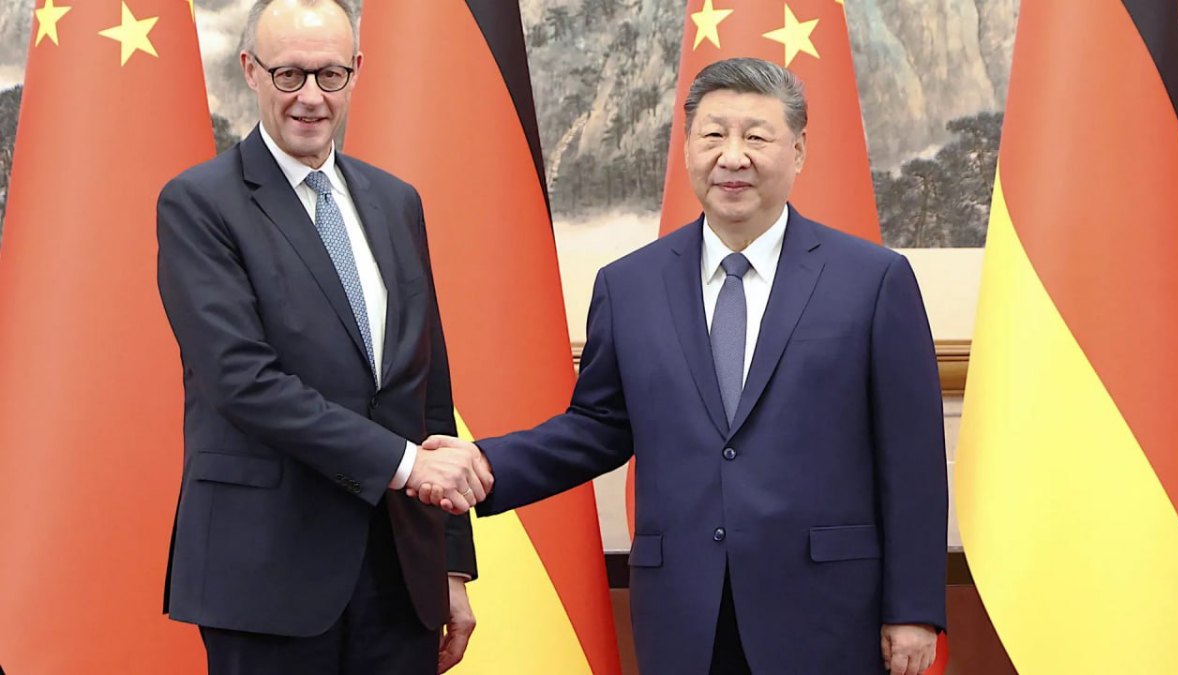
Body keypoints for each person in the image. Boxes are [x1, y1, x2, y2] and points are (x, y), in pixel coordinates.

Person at [420, 57, 947, 674]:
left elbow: (912, 459)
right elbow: (598, 427)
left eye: (757, 136)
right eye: (713, 134)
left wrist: (913, 608)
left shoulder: (872, 281)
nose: (732, 156)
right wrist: (488, 463)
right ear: (688, 147)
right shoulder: (630, 285)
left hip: (827, 612)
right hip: (685, 613)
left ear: (799, 150)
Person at [156, 1, 492, 672]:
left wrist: (451, 564)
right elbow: (243, 382)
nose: (311, 97)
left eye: (330, 75)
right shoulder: (199, 204)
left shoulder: (396, 202)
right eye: (289, 75)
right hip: (268, 577)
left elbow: (428, 390)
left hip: (400, 577)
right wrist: (405, 465)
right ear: (251, 70)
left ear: (356, 71)